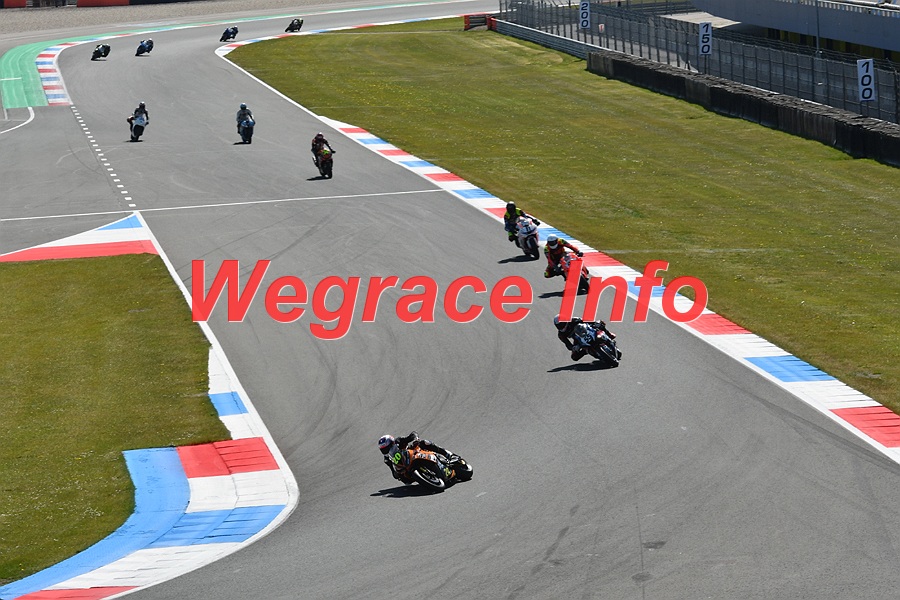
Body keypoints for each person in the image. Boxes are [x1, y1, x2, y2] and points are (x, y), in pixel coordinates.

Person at [378, 432, 454, 482]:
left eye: (387, 448)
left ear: (392, 443)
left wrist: (415, 440)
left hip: (412, 454)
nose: (387, 451)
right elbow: (394, 473)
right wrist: (397, 473)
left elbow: (413, 435)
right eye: (383, 450)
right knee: (405, 481)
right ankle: (424, 478)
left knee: (424, 442)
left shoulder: (398, 441)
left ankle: (447, 454)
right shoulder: (387, 459)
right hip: (405, 468)